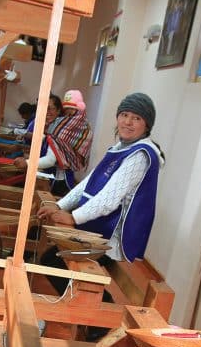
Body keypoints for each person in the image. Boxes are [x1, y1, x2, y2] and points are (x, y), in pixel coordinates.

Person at [37, 92, 164, 268]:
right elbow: (88, 183)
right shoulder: (119, 148)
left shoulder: (141, 155)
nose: (127, 122)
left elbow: (109, 200)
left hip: (113, 236)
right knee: (52, 260)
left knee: (54, 263)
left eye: (136, 118)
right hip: (99, 226)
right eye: (124, 115)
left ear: (146, 125)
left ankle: (102, 297)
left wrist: (73, 217)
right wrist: (60, 206)